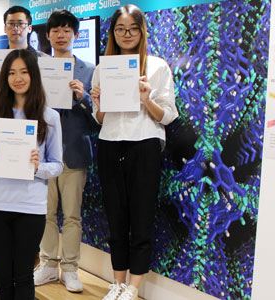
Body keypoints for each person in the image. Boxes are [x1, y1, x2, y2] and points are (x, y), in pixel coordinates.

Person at [90, 5, 179, 300]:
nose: (126, 34)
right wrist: (99, 102)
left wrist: (145, 99)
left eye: (132, 28)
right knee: (115, 219)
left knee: (141, 219)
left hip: (144, 145)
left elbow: (167, 116)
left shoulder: (157, 66)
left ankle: (133, 287)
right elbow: (100, 119)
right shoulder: (103, 68)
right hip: (110, 144)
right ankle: (116, 283)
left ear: (141, 31)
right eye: (120, 29)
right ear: (113, 32)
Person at [0, 49, 63, 300]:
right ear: (4, 77)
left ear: (33, 75)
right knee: (2, 275)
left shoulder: (49, 116)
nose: (18, 78)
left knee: (24, 274)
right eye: (12, 73)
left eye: (24, 72)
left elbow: (57, 164)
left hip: (30, 206)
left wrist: (38, 167)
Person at [33, 9, 96, 293]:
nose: (61, 35)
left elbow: (98, 119)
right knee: (45, 213)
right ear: (48, 36)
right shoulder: (37, 69)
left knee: (72, 215)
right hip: (42, 152)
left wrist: (82, 98)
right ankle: (48, 264)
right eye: (55, 30)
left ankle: (70, 268)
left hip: (73, 151)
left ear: (76, 35)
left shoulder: (89, 70)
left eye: (67, 30)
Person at [0, 6, 48, 110]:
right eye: (11, 24)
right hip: (2, 116)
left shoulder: (43, 60)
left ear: (29, 28)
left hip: (34, 115)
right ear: (5, 28)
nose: (15, 28)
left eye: (20, 23)